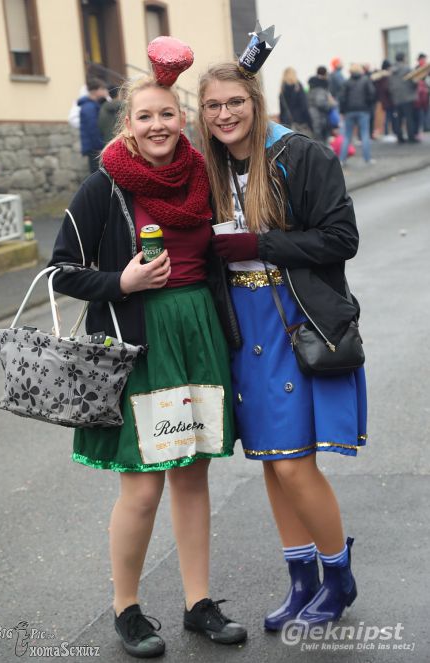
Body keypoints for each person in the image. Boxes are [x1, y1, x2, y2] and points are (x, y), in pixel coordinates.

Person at [49, 74, 247, 658]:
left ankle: (198, 603)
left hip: (199, 337)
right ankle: (126, 608)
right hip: (141, 341)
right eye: (145, 117)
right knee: (141, 487)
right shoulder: (105, 186)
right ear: (129, 127)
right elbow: (61, 270)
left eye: (166, 114)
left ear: (182, 120)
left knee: (192, 476)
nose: (157, 125)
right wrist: (122, 282)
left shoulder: (204, 177)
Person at [198, 61, 367, 631]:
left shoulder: (303, 154)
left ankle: (338, 578)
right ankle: (302, 580)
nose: (225, 114)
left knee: (294, 465)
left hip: (293, 318)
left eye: (235, 102)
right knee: (272, 461)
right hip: (241, 326)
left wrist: (262, 244)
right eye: (213, 105)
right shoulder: (210, 166)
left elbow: (342, 238)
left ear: (255, 101)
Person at [339, 63, 376, 165]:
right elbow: (372, 94)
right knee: (365, 134)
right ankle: (367, 159)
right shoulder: (366, 80)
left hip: (349, 111)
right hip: (363, 110)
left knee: (347, 136)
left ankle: (342, 159)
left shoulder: (346, 82)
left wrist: (342, 111)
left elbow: (342, 98)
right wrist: (369, 105)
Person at [78, 77, 109, 173]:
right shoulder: (89, 107)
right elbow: (93, 130)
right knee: (98, 174)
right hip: (95, 149)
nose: (105, 91)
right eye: (102, 89)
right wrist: (99, 147)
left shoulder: (94, 105)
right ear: (95, 91)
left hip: (96, 147)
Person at [388, 52, 418, 143]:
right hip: (408, 97)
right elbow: (414, 81)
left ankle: (399, 137)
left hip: (396, 98)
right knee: (409, 118)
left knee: (398, 118)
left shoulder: (391, 71)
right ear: (403, 58)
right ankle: (411, 137)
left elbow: (389, 84)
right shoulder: (407, 69)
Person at [279, 67, 312, 135]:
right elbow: (304, 106)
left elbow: (282, 110)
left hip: (287, 123)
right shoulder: (298, 87)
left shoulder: (282, 90)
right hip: (300, 122)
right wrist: (310, 123)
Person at [307, 66, 334, 143]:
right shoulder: (321, 88)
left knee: (316, 138)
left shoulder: (311, 86)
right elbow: (320, 103)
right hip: (319, 117)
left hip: (313, 115)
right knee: (320, 140)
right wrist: (331, 105)